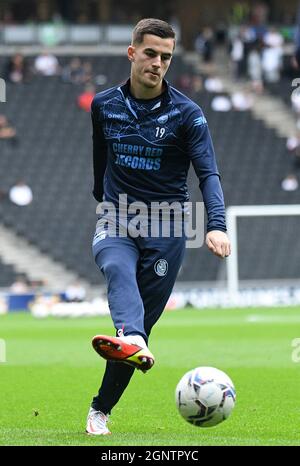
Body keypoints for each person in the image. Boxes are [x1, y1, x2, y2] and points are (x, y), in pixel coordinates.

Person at [87, 18, 231, 435]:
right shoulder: (104, 104)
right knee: (115, 268)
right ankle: (129, 334)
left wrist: (216, 225)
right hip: (117, 213)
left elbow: (208, 174)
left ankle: (100, 407)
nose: (158, 63)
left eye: (166, 57)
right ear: (132, 53)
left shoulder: (188, 114)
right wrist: (101, 193)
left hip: (168, 226)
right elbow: (100, 151)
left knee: (140, 336)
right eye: (150, 53)